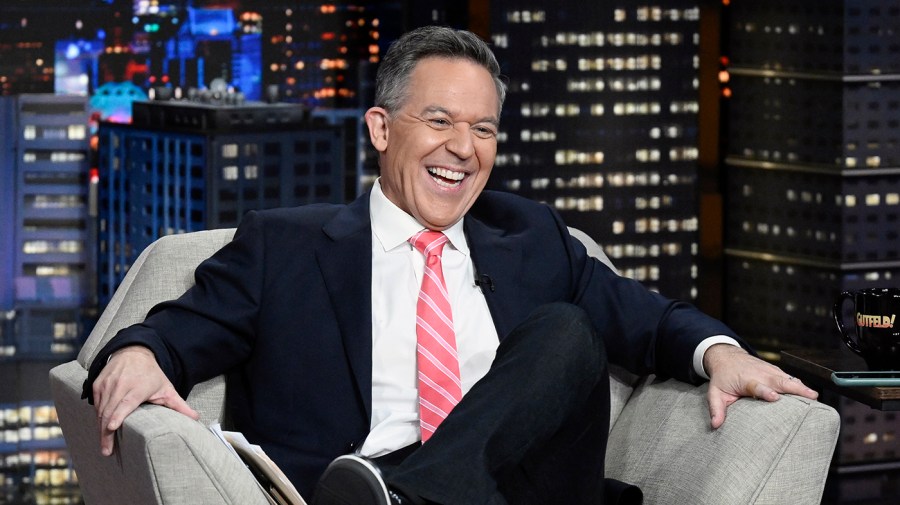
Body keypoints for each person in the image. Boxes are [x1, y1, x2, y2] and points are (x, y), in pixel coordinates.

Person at [85, 26, 819, 505]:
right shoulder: (285, 246)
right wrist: (140, 353)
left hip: (525, 493)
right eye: (438, 121)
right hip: (353, 479)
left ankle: (411, 497)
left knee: (566, 330)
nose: (463, 149)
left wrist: (720, 352)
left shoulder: (531, 234)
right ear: (381, 128)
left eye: (483, 129)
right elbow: (175, 330)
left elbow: (647, 319)